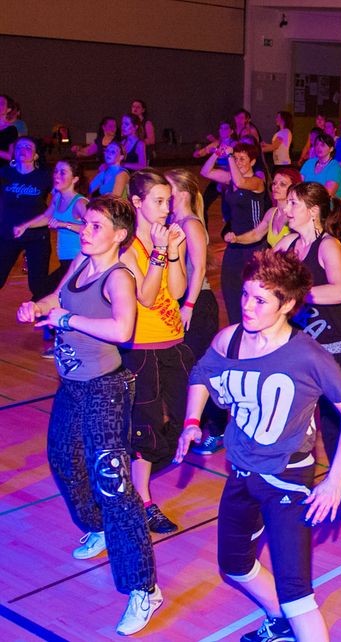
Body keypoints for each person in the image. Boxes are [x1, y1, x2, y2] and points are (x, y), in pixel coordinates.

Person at [175, 249, 341, 642]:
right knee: (234, 564)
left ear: (287, 304)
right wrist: (192, 422)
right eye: (246, 294)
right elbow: (202, 374)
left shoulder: (308, 355)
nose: (247, 306)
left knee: (297, 592)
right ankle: (277, 620)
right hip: (241, 473)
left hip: (286, 477)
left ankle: (289, 615)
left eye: (260, 300)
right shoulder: (231, 339)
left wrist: (334, 482)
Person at [18, 195, 163, 635]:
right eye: (86, 224)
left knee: (113, 485)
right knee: (63, 459)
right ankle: (97, 526)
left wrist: (65, 321)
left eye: (96, 226)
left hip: (106, 390)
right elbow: (57, 296)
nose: (86, 231)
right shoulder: (82, 261)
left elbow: (123, 329)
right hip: (72, 387)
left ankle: (144, 589)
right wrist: (39, 307)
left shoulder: (118, 277)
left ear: (119, 235)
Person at [274, 182, 341, 525]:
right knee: (293, 422)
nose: (286, 209)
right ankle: (291, 489)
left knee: (338, 425)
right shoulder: (289, 245)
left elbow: (340, 291)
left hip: (334, 350)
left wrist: (297, 294)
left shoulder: (328, 245)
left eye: (293, 203)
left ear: (313, 211)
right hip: (301, 350)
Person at [120, 169, 191, 535]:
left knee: (182, 421)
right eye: (159, 201)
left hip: (173, 341)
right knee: (147, 430)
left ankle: (126, 479)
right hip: (142, 348)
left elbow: (175, 292)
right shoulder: (127, 246)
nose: (166, 208)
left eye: (168, 201)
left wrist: (174, 252)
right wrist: (161, 251)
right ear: (137, 202)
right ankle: (143, 501)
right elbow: (146, 297)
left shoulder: (166, 238)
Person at [165, 168, 225, 456]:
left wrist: (188, 306)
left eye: (168, 188)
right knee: (182, 369)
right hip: (180, 303)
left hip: (197, 303)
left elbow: (199, 269)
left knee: (201, 368)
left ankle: (219, 428)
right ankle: (191, 424)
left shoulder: (191, 224)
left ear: (183, 193)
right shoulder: (172, 222)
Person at [201, 141, 269, 324]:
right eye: (236, 158)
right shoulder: (230, 179)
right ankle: (236, 327)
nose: (238, 162)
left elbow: (240, 182)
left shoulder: (256, 182)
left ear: (252, 162)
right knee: (230, 288)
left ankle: (256, 327)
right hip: (235, 242)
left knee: (254, 290)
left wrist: (230, 156)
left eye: (242, 159)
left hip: (254, 244)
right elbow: (205, 172)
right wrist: (217, 153)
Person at [13, 159, 87, 307]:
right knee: (46, 296)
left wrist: (64, 224)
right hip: (65, 261)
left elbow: (92, 227)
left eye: (63, 172)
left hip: (79, 261)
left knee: (42, 297)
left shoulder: (80, 203)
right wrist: (25, 226)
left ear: (75, 179)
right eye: (56, 171)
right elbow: (47, 217)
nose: (57, 175)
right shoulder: (58, 198)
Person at [0, 136, 52, 300]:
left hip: (36, 235)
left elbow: (59, 199)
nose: (23, 149)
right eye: (19, 147)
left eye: (28, 147)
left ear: (36, 155)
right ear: (14, 153)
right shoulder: (4, 173)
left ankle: (42, 311)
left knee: (37, 284)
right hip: (7, 234)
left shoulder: (44, 177)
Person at [226, 168, 302, 249]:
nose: (276, 187)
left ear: (294, 188)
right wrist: (236, 239)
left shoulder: (296, 215)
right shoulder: (271, 212)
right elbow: (255, 235)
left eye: (282, 184)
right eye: (274, 183)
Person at [300, 132, 341, 199]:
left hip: (326, 204)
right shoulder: (309, 163)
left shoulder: (334, 167)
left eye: (322, 145)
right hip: (307, 201)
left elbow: (327, 194)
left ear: (331, 149)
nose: (318, 147)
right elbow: (299, 184)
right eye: (316, 144)